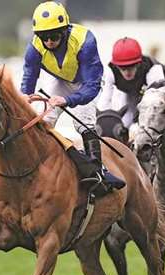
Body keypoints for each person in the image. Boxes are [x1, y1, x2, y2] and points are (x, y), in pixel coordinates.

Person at [20, 1, 124, 195]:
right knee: (44, 120)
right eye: (43, 37)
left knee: (83, 122)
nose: (49, 41)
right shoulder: (34, 47)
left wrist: (67, 100)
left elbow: (91, 88)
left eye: (54, 36)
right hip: (60, 79)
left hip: (86, 83)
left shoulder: (85, 41)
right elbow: (29, 74)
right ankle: (35, 168)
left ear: (65, 31)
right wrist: (25, 95)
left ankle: (97, 171)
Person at [97, 37, 165, 129]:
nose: (127, 72)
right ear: (116, 66)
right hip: (129, 93)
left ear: (138, 63)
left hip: (150, 92)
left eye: (131, 66)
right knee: (125, 123)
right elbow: (104, 103)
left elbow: (157, 105)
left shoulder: (153, 69)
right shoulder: (110, 71)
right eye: (122, 68)